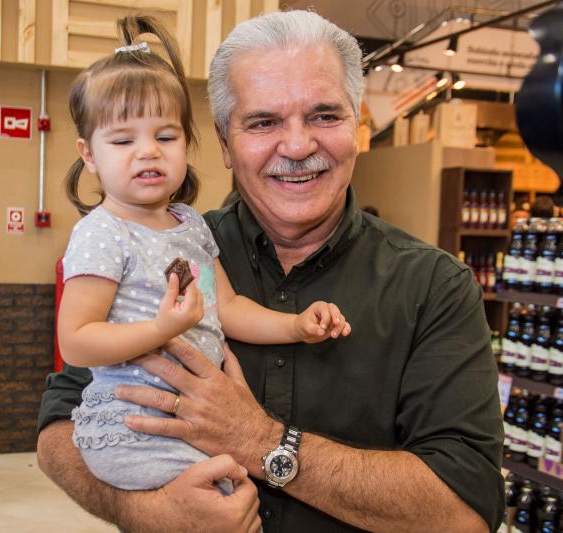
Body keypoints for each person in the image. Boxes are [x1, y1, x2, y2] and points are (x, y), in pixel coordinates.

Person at [37, 10, 504, 533]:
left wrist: (260, 441)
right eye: (264, 122)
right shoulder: (162, 248)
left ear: (357, 127)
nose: (298, 146)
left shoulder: (436, 288)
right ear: (223, 143)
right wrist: (150, 511)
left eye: (324, 116)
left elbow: (465, 511)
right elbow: (58, 429)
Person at [58, 16, 350, 496]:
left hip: (193, 423)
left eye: (165, 137)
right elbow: (76, 341)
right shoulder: (102, 232)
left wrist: (295, 326)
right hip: (135, 427)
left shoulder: (190, 224)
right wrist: (161, 329)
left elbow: (227, 309)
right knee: (228, 497)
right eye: (124, 140)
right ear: (88, 154)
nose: (148, 152)